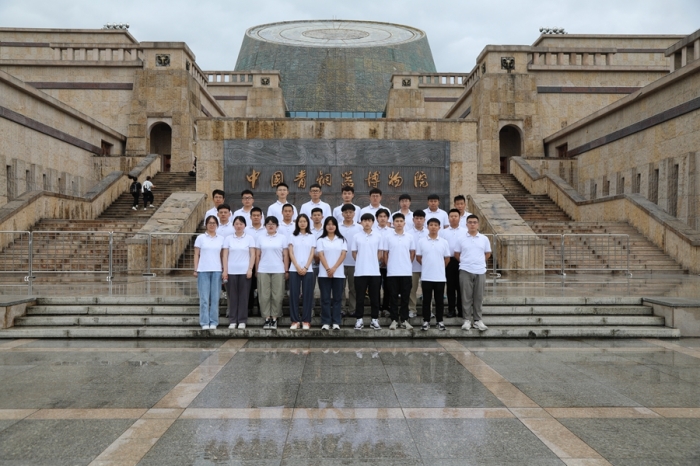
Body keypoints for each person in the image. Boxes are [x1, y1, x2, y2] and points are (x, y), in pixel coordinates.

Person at [455, 214, 492, 332]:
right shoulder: (461, 238)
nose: (472, 224)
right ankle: (466, 319)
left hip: (480, 270)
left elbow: (487, 253)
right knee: (466, 296)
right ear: (466, 224)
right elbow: (457, 254)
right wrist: (466, 262)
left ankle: (477, 320)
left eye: (474, 222)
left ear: (478, 224)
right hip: (465, 270)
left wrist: (479, 262)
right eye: (470, 222)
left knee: (478, 296)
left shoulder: (484, 238)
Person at [382, 213, 416, 330]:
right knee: (393, 297)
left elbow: (412, 253)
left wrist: (407, 264)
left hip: (406, 272)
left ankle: (405, 319)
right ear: (393, 223)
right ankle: (394, 320)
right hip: (392, 272)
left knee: (405, 297)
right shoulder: (388, 237)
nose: (399, 223)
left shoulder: (410, 237)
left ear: (404, 223)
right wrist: (389, 265)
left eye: (401, 221)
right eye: (397, 221)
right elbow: (385, 254)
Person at [255, 216, 289, 329]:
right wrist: (256, 269)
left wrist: (286, 270)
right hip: (263, 269)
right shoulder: (260, 238)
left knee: (277, 295)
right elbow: (257, 255)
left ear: (277, 226)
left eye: (273, 224)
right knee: (264, 295)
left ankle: (274, 318)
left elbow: (285, 255)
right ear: (265, 226)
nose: (270, 226)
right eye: (268, 224)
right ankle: (266, 318)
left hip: (278, 269)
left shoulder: (282, 238)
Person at [417, 218, 451, 331]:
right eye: (431, 225)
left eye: (436, 225)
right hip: (426, 276)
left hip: (440, 277)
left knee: (439, 301)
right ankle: (426, 321)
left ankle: (439, 321)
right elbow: (418, 257)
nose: (433, 227)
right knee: (426, 300)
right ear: (427, 227)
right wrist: (427, 265)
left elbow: (447, 258)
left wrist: (439, 267)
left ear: (439, 227)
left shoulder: (444, 242)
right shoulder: (421, 241)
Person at [222, 216, 255, 329]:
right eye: (236, 224)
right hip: (231, 271)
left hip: (245, 271)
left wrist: (250, 269)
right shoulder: (228, 238)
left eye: (241, 224)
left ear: (245, 225)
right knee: (232, 296)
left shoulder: (249, 238)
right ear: (233, 225)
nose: (239, 226)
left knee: (244, 297)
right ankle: (232, 320)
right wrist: (225, 270)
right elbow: (225, 255)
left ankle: (242, 320)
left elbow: (253, 255)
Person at [351, 213, 383, 330]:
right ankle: (359, 319)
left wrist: (373, 262)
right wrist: (362, 262)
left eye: (369, 220)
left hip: (374, 272)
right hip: (360, 272)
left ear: (373, 222)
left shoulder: (378, 236)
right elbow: (354, 253)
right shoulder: (356, 236)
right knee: (360, 297)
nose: (367, 223)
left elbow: (380, 253)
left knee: (375, 297)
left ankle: (374, 319)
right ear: (361, 222)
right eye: (364, 221)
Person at [316, 216, 348, 331]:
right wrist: (328, 269)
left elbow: (343, 255)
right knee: (325, 299)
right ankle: (325, 321)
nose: (330, 226)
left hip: (338, 274)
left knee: (337, 299)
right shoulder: (321, 240)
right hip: (324, 274)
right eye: (328, 224)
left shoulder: (342, 240)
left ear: (336, 226)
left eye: (333, 224)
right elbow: (320, 255)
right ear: (325, 226)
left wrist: (333, 268)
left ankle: (336, 322)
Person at [193, 215, 224, 330]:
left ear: (217, 225)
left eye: (214, 223)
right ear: (206, 225)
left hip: (217, 270)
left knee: (215, 298)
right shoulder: (200, 238)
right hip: (203, 270)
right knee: (204, 298)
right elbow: (196, 254)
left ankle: (214, 321)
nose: (212, 225)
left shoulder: (221, 239)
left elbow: (222, 255)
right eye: (210, 223)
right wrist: (195, 269)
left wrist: (224, 269)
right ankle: (204, 321)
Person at [287, 214, 316, 330]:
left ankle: (306, 320)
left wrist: (306, 267)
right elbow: (290, 253)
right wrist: (298, 267)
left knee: (307, 295)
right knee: (294, 295)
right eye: (300, 221)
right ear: (297, 223)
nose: (302, 223)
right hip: (294, 269)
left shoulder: (312, 236)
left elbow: (312, 253)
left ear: (308, 223)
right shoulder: (292, 236)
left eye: (304, 221)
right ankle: (294, 320)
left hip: (308, 270)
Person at [440, 209, 464, 317]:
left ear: (459, 218)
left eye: (455, 216)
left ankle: (461, 310)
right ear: (448, 218)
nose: (453, 218)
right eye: (451, 216)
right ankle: (451, 310)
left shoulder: (464, 232)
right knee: (450, 287)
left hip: (461, 261)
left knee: (461, 287)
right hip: (448, 261)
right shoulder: (443, 232)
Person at [338, 203, 362, 315]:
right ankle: (341, 309)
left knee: (354, 288)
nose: (348, 214)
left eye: (350, 212)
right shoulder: (337, 226)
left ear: (354, 214)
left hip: (354, 262)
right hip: (339, 263)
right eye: (346, 212)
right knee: (340, 287)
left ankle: (353, 309)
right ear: (342, 214)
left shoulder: (359, 228)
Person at [245, 207, 265, 315]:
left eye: (258, 215)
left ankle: (262, 308)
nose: (256, 217)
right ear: (250, 217)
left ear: (261, 217)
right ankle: (249, 308)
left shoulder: (266, 229)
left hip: (263, 262)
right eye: (254, 215)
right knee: (250, 287)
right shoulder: (246, 230)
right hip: (249, 262)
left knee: (262, 287)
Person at [408, 210, 428, 317]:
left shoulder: (429, 233)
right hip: (413, 266)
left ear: (424, 220)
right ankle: (412, 309)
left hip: (426, 267)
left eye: (421, 218)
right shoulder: (408, 233)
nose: (419, 221)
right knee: (412, 289)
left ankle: (428, 310)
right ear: (413, 219)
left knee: (427, 289)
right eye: (417, 218)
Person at [375, 208, 392, 314]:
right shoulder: (372, 231)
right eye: (380, 216)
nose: (382, 218)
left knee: (388, 286)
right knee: (375, 287)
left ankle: (386, 307)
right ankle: (376, 307)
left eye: (384, 216)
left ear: (388, 218)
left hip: (389, 263)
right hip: (374, 263)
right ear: (377, 218)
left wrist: (386, 260)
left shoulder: (392, 231)